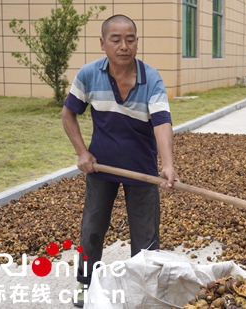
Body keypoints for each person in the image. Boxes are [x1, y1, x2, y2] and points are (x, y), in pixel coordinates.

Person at [61, 14, 180, 308]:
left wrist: (167, 165)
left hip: (142, 171)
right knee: (92, 228)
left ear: (137, 43)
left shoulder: (150, 77)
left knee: (146, 236)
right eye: (116, 39)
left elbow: (162, 122)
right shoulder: (89, 74)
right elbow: (68, 114)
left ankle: (143, 288)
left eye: (130, 39)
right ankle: (85, 283)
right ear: (103, 43)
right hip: (101, 167)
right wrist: (82, 152)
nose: (124, 45)